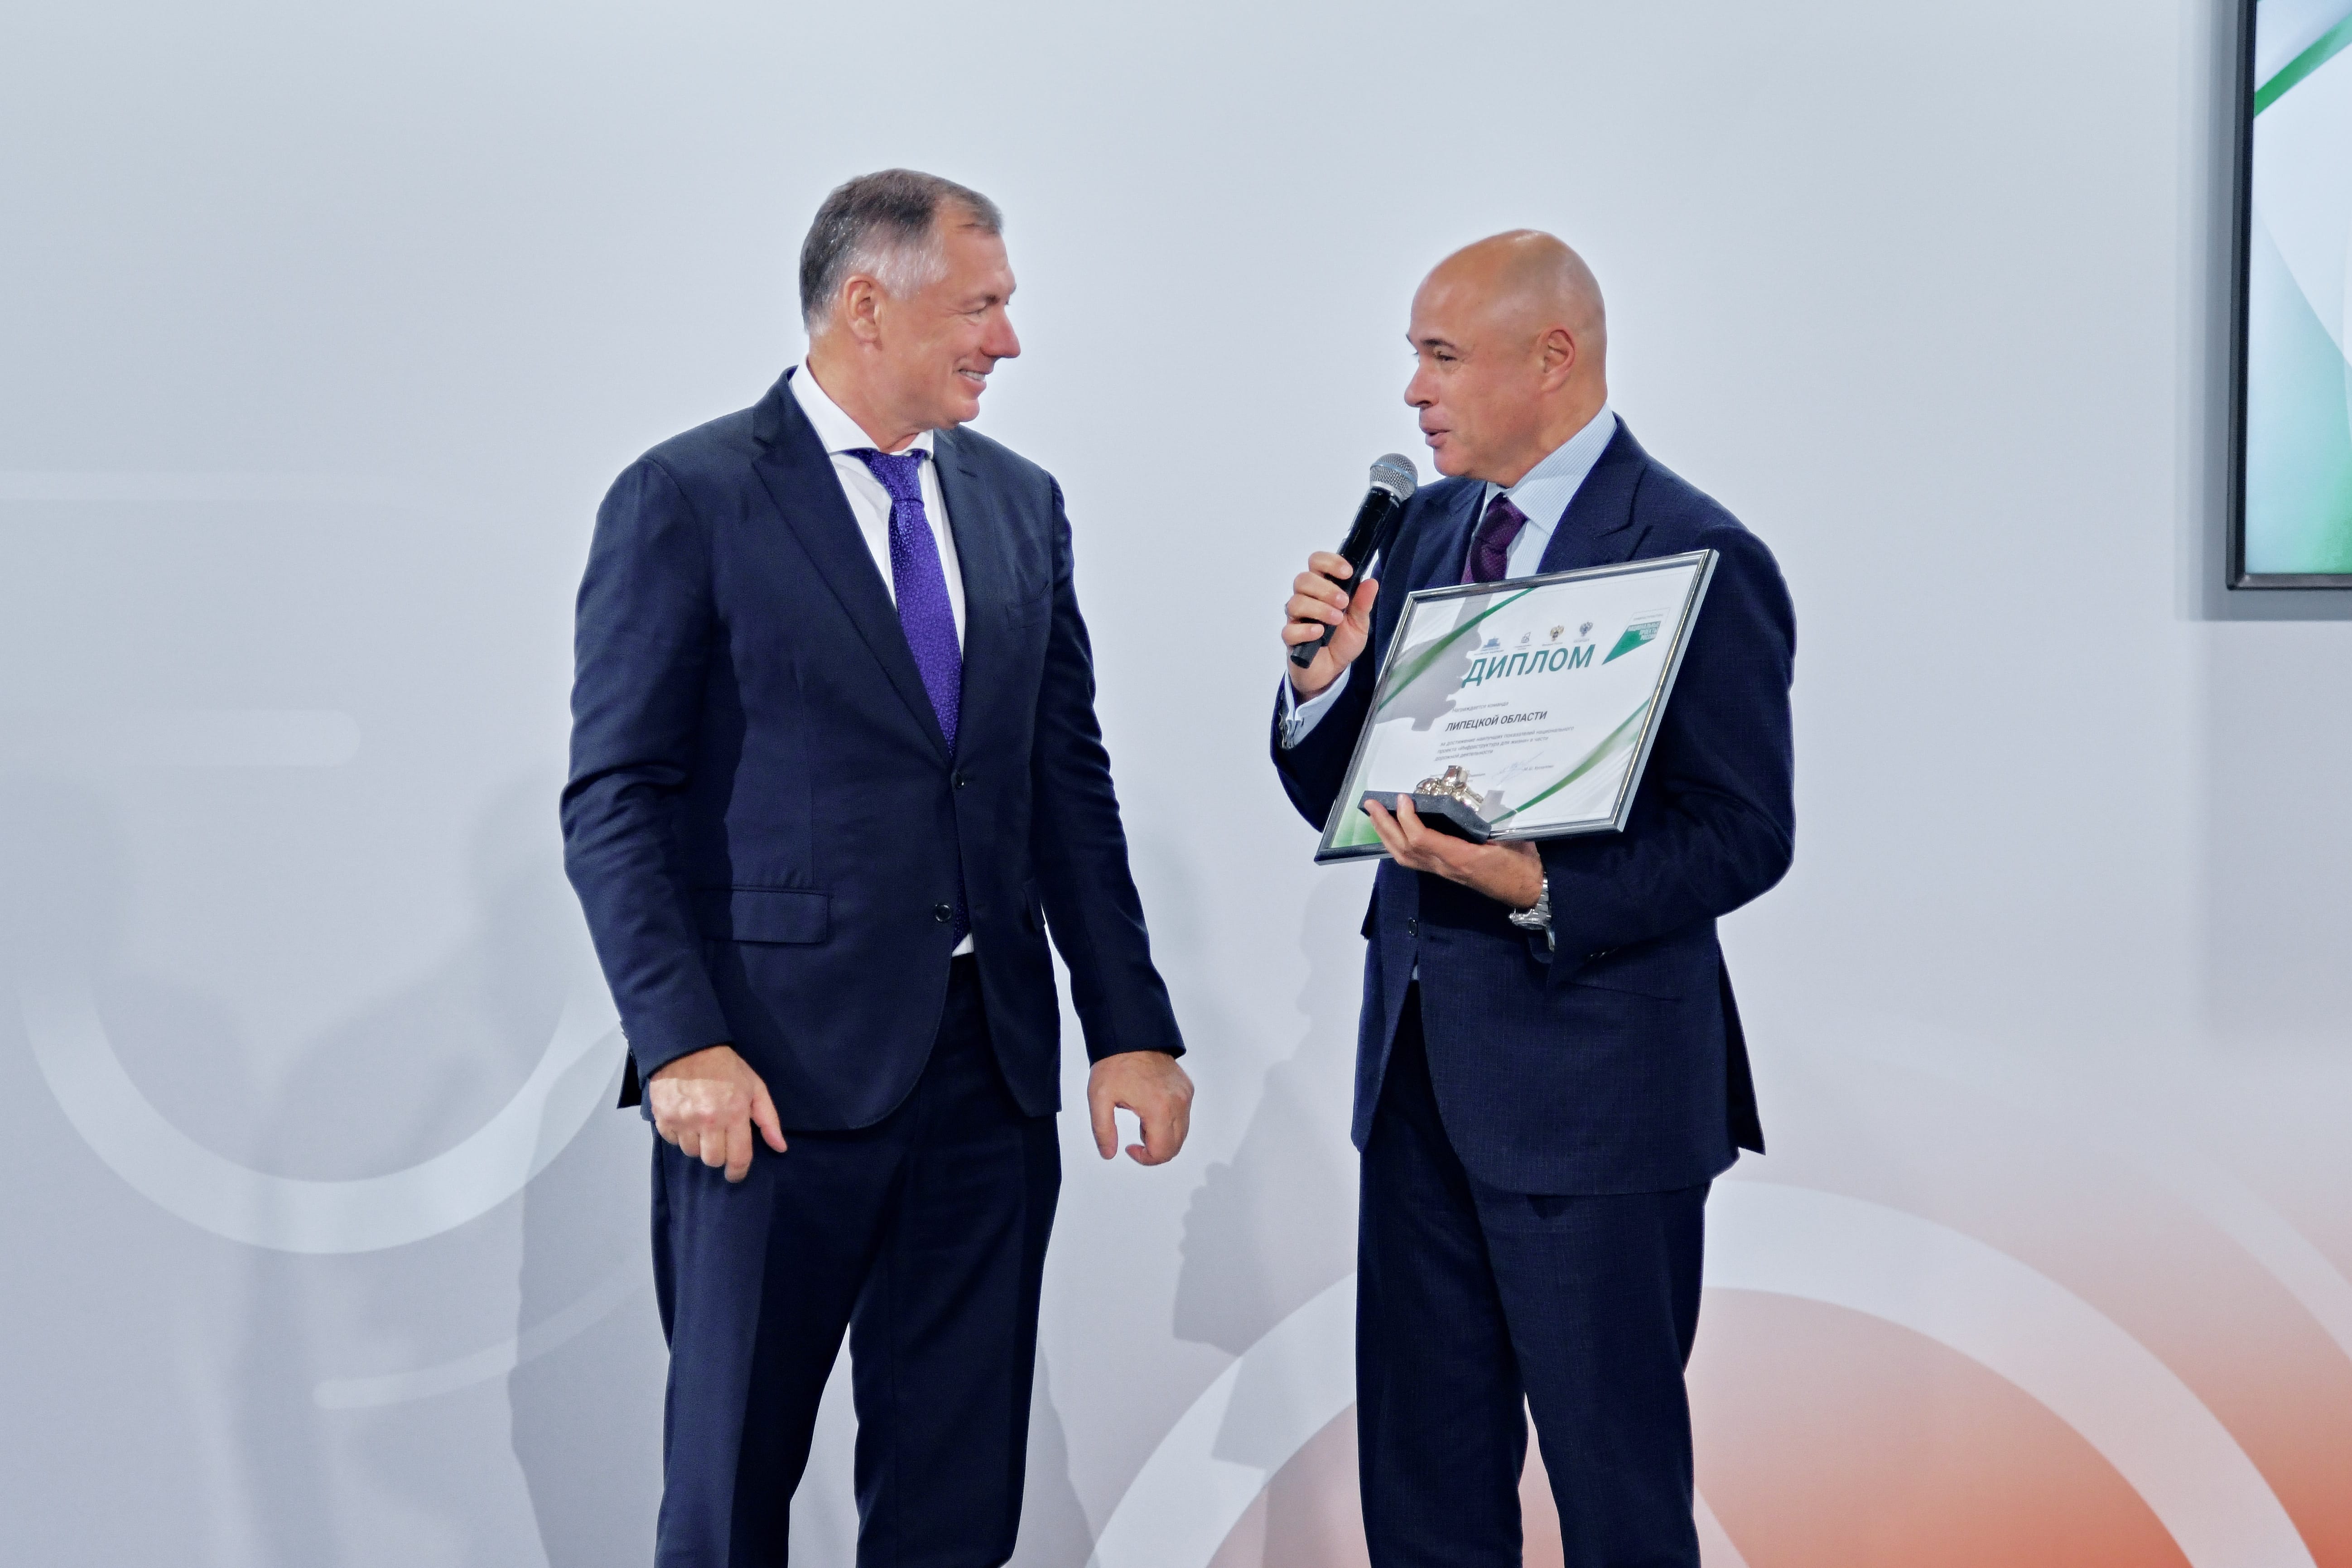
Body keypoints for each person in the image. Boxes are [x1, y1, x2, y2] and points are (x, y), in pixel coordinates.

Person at [563, 168, 1194, 1568]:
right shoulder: (687, 496)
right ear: (867, 304)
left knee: (957, 1497)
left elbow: (1063, 783)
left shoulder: (1021, 504)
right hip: (767, 1078)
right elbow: (616, 798)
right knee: (730, 1487)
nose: (1007, 340)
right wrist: (681, 1043)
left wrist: (1131, 1028)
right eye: (980, 307)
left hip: (988, 1074)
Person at [1270, 231, 1795, 1567]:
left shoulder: (1696, 548)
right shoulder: (1427, 529)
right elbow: (1353, 795)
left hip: (1599, 1101)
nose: (1415, 391)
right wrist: (1322, 687)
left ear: (1552, 356)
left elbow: (1744, 833)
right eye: (1415, 357)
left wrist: (1543, 885)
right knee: (1424, 1482)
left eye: (1442, 357)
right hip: (1417, 1087)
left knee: (1614, 1491)